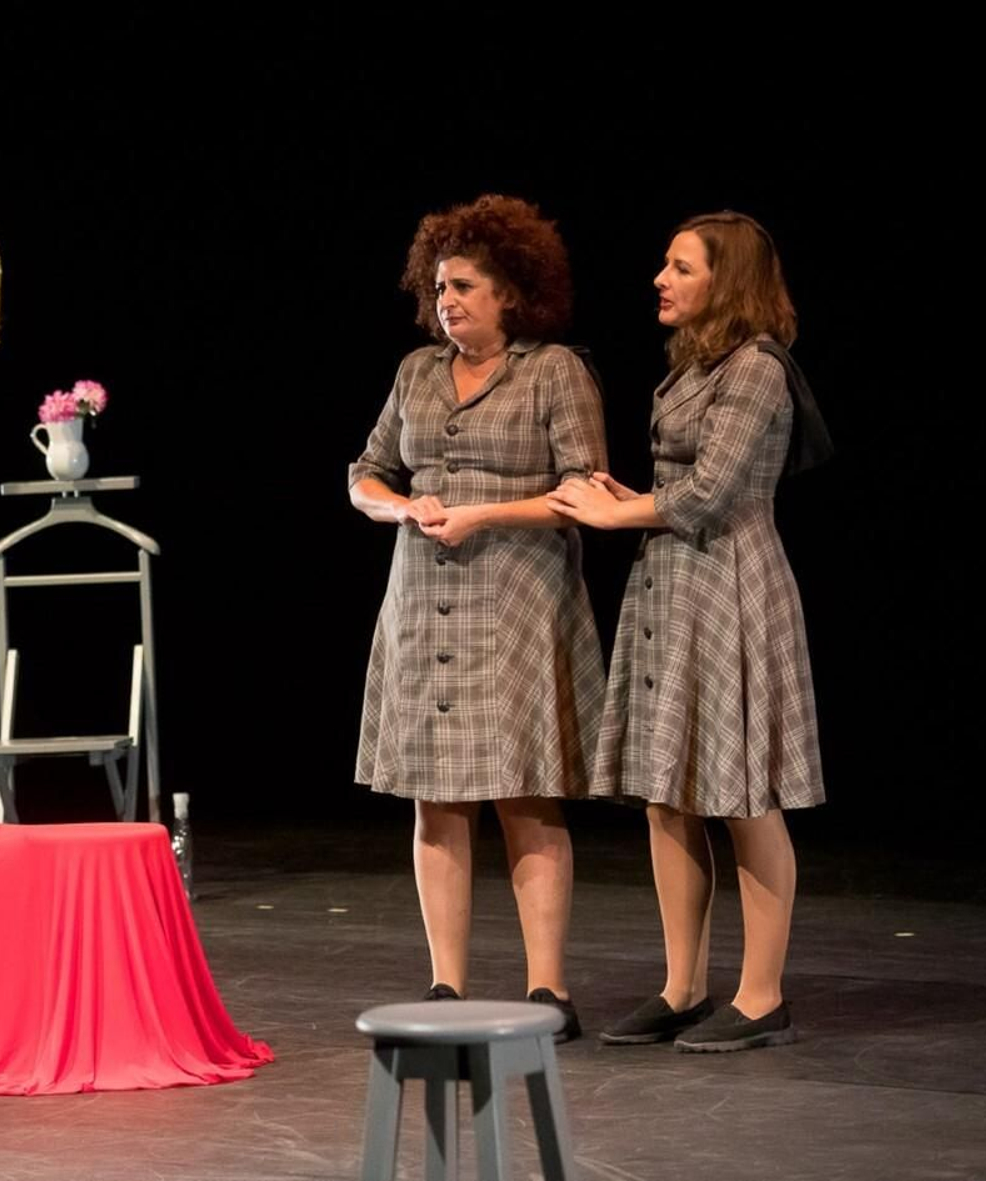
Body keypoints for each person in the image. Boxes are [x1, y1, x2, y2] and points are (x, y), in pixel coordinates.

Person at [547, 211, 828, 1052]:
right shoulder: (691, 369)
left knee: (742, 792)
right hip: (670, 583)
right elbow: (682, 488)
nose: (660, 279)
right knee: (669, 793)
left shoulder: (756, 371)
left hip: (732, 585)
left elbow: (709, 496)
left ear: (725, 281)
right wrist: (623, 494)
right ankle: (682, 985)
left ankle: (762, 992)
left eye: (681, 267)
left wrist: (611, 510)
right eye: (664, 265)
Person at [349, 194, 606, 1040]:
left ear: (511, 293)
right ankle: (446, 985)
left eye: (463, 285)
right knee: (436, 800)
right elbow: (365, 473)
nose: (446, 299)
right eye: (438, 286)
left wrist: (483, 513)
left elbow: (585, 490)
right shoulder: (416, 372)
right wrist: (402, 508)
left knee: (523, 796)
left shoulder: (554, 371)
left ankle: (548, 990)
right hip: (423, 605)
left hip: (520, 607)